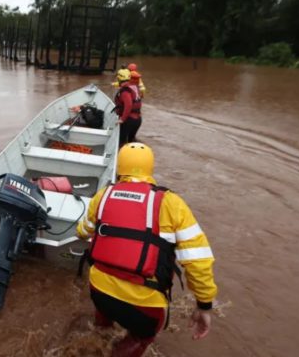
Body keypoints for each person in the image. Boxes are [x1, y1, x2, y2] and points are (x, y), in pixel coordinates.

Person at [77, 143, 217, 357]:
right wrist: (204, 305)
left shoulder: (103, 196)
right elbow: (198, 260)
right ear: (150, 168)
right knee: (140, 337)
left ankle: (96, 338)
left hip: (99, 291)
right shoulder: (172, 203)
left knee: (103, 322)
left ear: (120, 167)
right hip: (144, 307)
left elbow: (83, 231)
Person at [114, 71, 143, 146]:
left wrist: (122, 119)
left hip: (128, 121)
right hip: (138, 119)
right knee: (131, 143)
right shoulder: (135, 87)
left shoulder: (125, 91)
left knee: (121, 143)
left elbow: (129, 105)